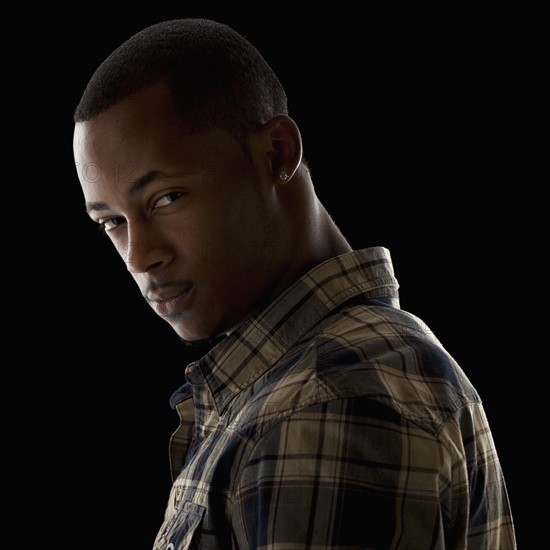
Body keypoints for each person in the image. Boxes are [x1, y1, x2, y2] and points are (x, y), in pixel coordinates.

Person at [72, 18, 517, 550]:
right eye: (112, 222)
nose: (139, 256)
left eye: (167, 198)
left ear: (276, 154)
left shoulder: (327, 400)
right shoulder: (318, 377)